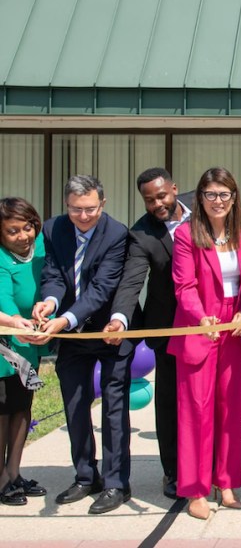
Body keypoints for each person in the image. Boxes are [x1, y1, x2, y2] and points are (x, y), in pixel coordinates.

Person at [32, 175, 131, 514]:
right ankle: (86, 475)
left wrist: (65, 320)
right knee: (75, 405)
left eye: (90, 209)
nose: (84, 216)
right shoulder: (53, 228)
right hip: (70, 334)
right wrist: (49, 303)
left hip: (109, 329)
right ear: (66, 206)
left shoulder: (116, 233)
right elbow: (55, 274)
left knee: (114, 409)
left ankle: (117, 483)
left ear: (102, 204)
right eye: (76, 210)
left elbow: (102, 288)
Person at [167, 167, 241, 520]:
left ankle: (227, 480)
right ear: (198, 199)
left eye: (224, 194)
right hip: (198, 325)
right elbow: (183, 285)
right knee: (196, 412)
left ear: (234, 197)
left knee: (230, 408)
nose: (218, 201)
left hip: (233, 325)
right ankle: (196, 490)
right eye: (210, 194)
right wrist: (200, 316)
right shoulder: (186, 234)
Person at [101, 168, 191, 500]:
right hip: (166, 325)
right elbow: (131, 282)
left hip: (211, 324)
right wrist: (120, 318)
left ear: (175, 189)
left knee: (209, 398)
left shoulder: (204, 207)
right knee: (169, 402)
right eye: (149, 200)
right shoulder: (141, 234)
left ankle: (214, 467)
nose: (157, 204)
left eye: (162, 195)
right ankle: (174, 472)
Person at [0, 197, 48, 506]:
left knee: (22, 408)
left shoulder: (41, 248)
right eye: (13, 231)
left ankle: (14, 472)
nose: (23, 236)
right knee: (1, 412)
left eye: (28, 227)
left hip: (28, 346)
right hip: (5, 345)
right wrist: (15, 321)